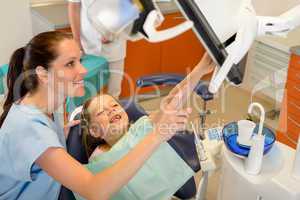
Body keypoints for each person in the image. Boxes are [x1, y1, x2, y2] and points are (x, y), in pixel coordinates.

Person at [0, 31, 192, 200]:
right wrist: (157, 136)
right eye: (70, 64)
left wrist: (56, 137)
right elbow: (96, 191)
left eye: (79, 61)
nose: (83, 70)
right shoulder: (31, 130)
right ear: (42, 74)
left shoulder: (49, 104)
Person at [68, 0, 128, 99]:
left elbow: (131, 6)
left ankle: (112, 113)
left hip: (115, 43)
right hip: (87, 44)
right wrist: (76, 41)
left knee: (114, 92)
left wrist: (115, 30)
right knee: (88, 94)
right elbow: (74, 6)